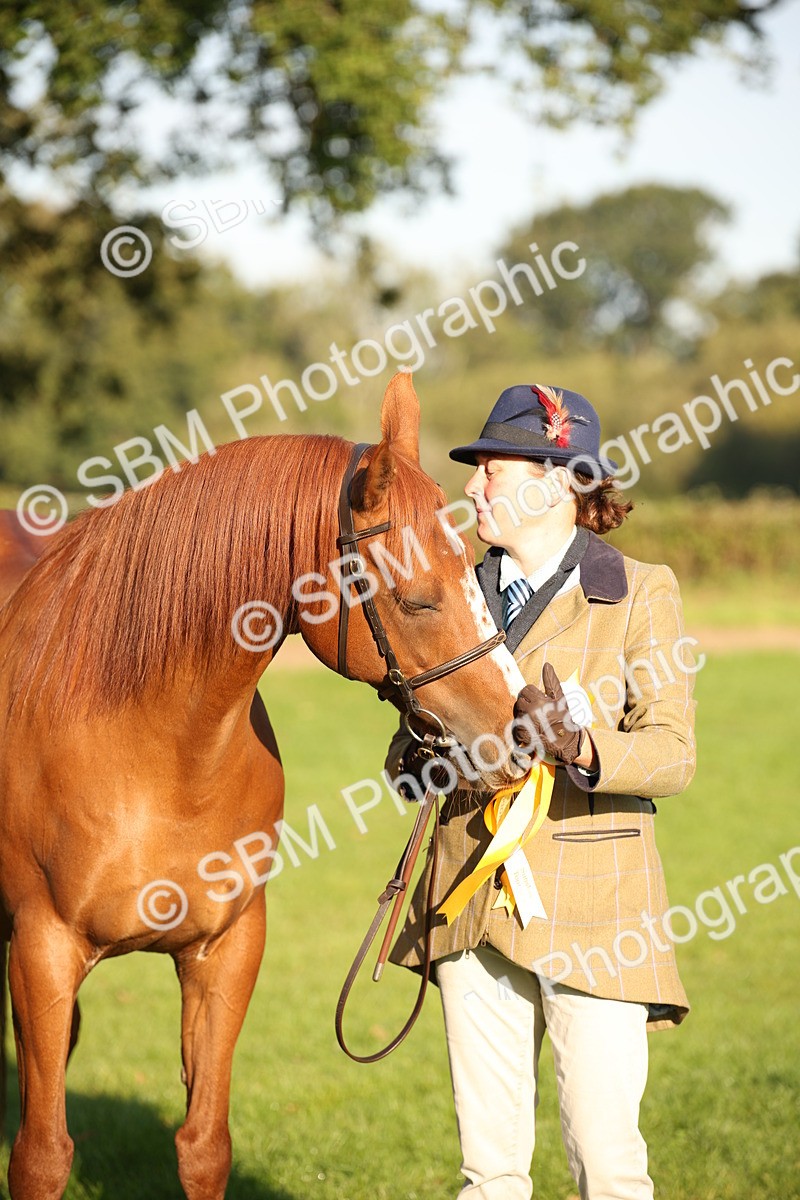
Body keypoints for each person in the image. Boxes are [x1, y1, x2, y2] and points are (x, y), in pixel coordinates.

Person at [384, 383, 697, 1200]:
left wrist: (581, 746)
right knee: (489, 1176)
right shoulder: (452, 594)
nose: (473, 486)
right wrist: (415, 757)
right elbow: (408, 752)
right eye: (476, 469)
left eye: (492, 469)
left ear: (560, 481)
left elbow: (672, 754)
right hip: (470, 898)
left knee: (609, 1164)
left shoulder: (641, 590)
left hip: (599, 911)